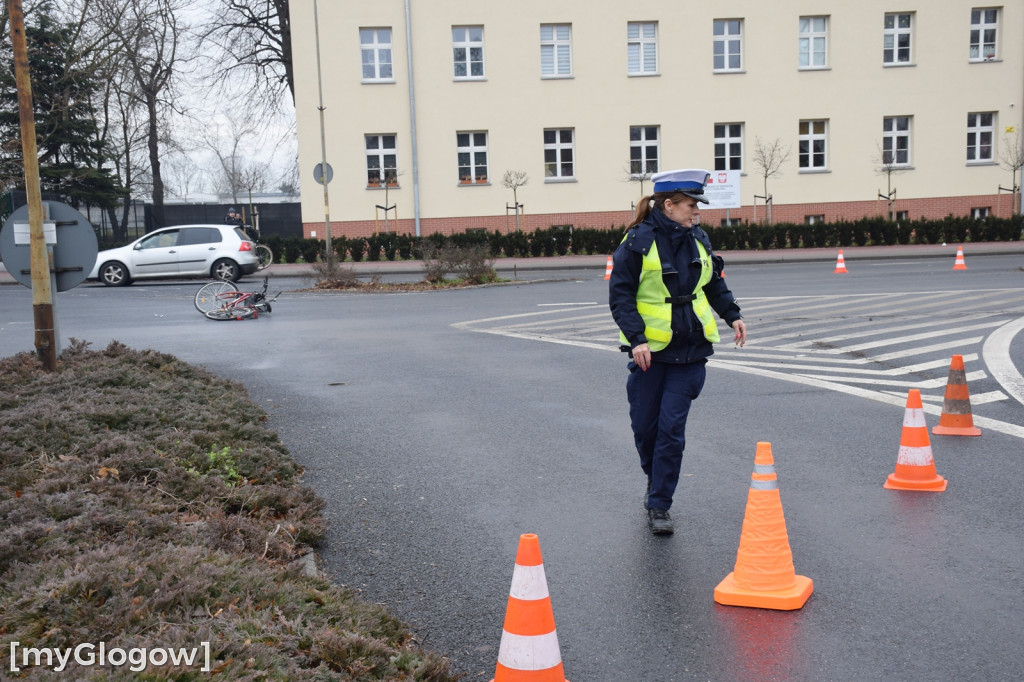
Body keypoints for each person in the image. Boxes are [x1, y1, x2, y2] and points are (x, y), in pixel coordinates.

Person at [609, 168, 747, 535]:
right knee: (646, 431)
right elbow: (621, 296)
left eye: (697, 207)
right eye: (690, 206)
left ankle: (659, 505)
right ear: (668, 206)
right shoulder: (637, 242)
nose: (696, 213)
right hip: (650, 355)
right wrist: (637, 338)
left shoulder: (699, 238)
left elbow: (714, 284)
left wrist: (732, 315)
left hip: (690, 352)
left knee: (671, 431)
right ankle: (655, 483)